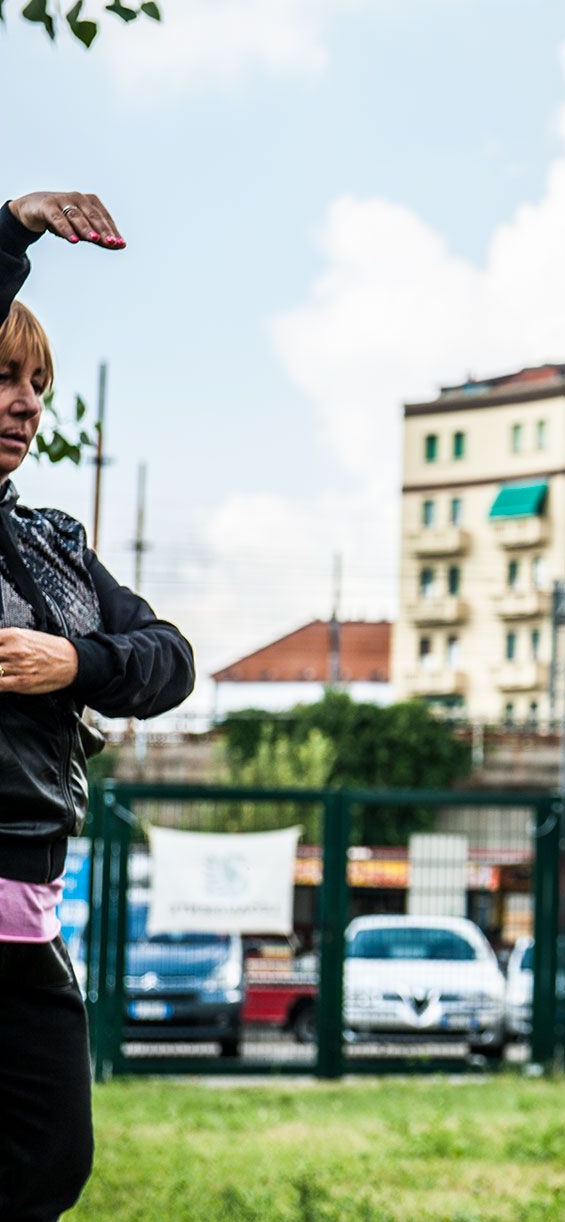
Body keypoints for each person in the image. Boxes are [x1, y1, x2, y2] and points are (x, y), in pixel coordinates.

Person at [0, 190, 195, 1220]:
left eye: (37, 384)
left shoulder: (55, 547)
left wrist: (71, 663)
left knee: (51, 1162)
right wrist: (15, 228)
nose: (26, 403)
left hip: (27, 923)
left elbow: (170, 660)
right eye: (0, 377)